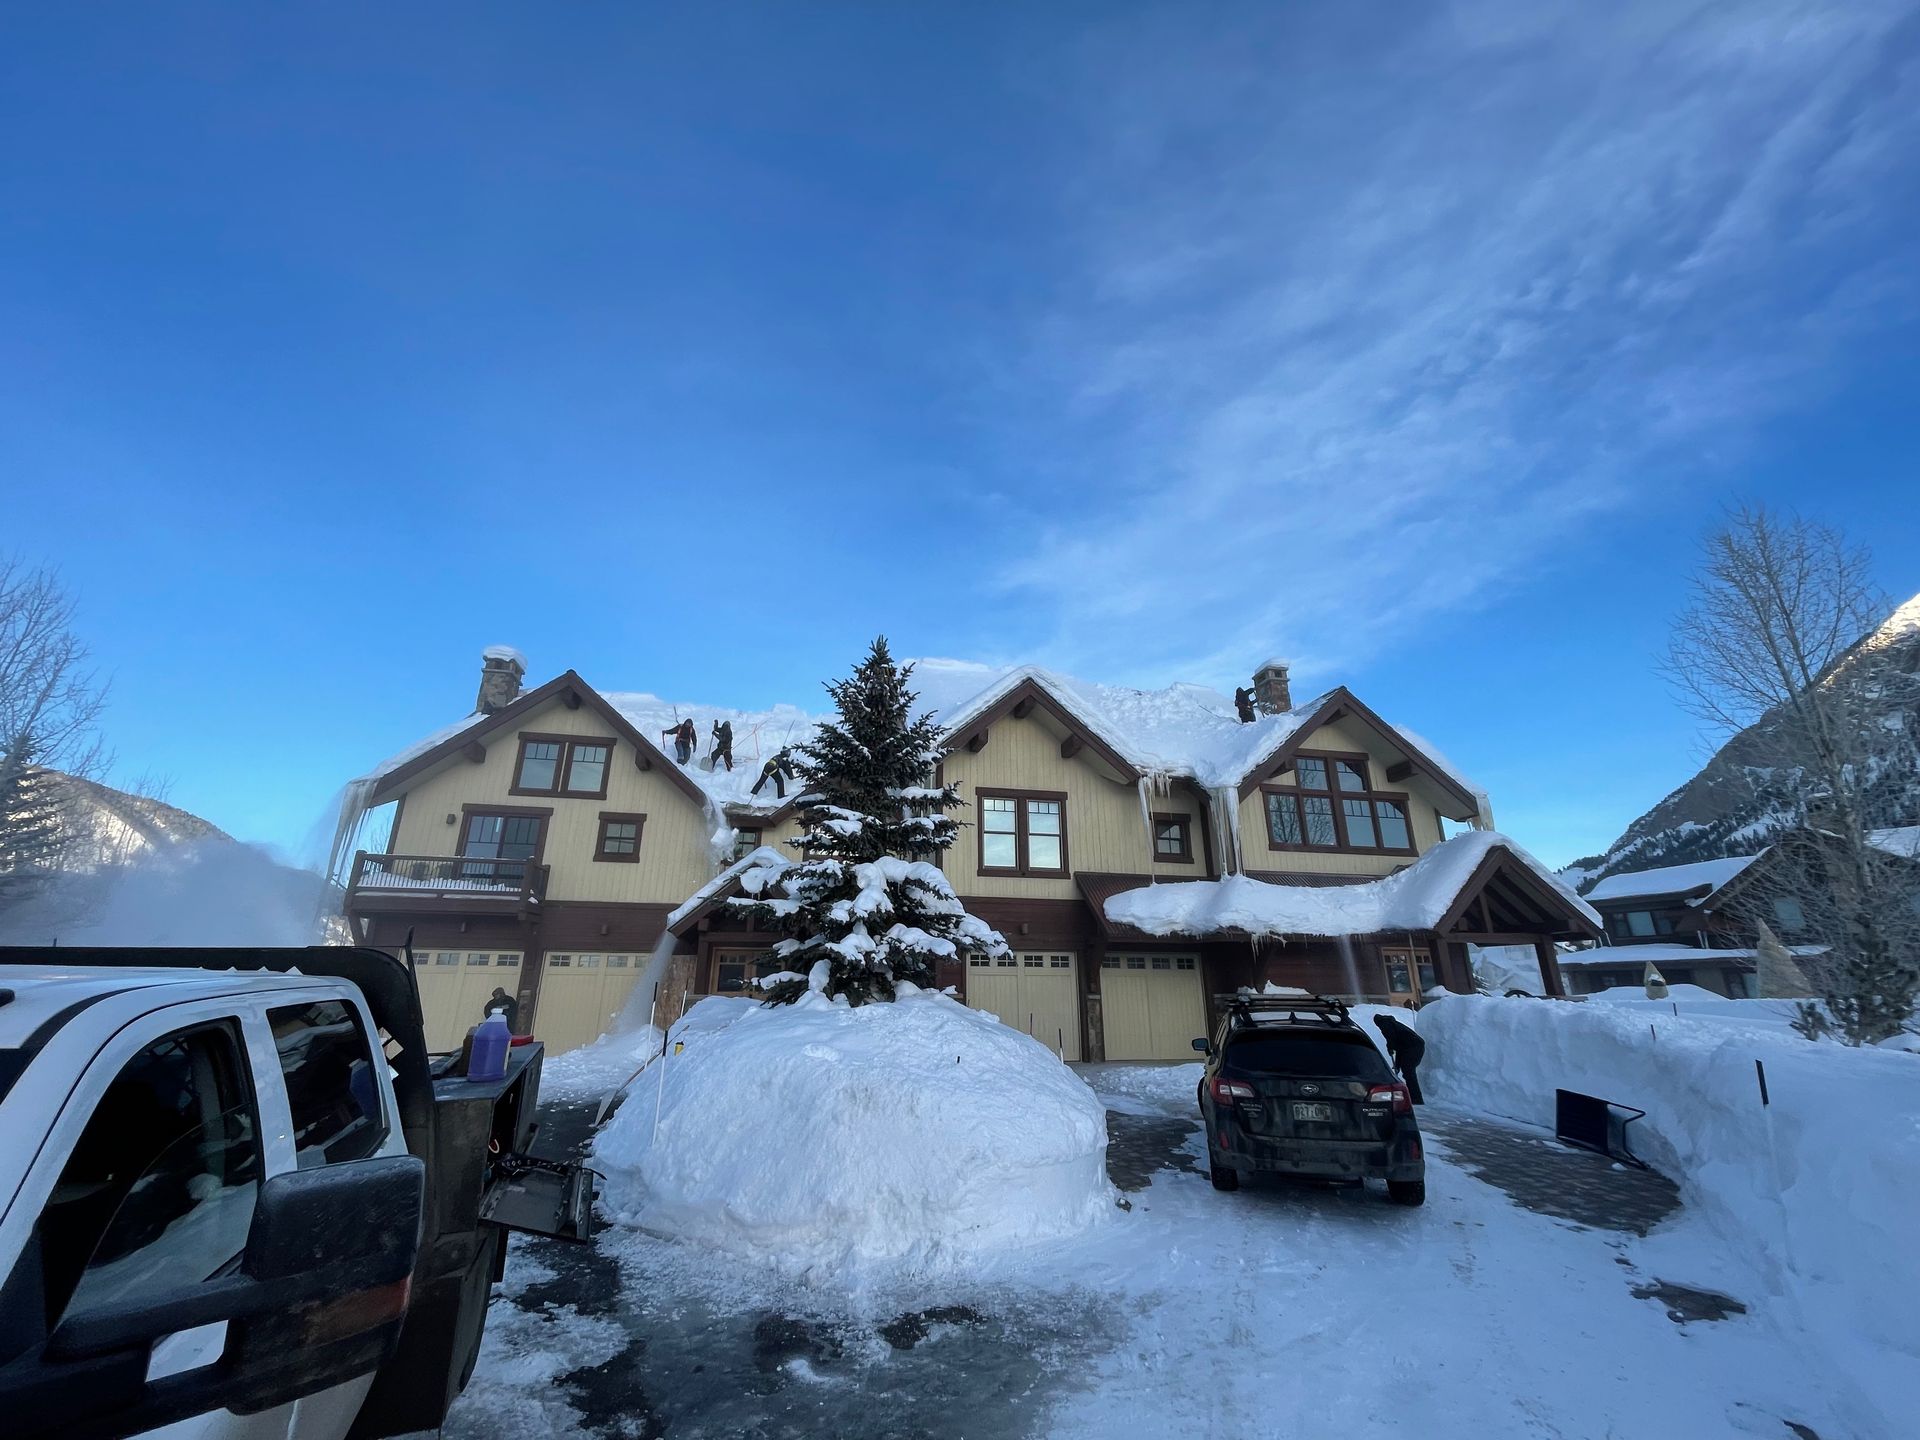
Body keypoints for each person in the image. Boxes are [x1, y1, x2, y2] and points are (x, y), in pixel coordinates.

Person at [1372, 1014, 1425, 1105]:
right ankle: (1414, 1097)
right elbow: (1400, 1048)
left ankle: (1416, 1099)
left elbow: (1392, 1039)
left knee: (1409, 1072)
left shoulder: (1385, 1024)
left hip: (1413, 1047)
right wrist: (1397, 1065)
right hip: (1415, 1046)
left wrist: (1390, 1047)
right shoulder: (1393, 1024)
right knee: (1408, 1072)